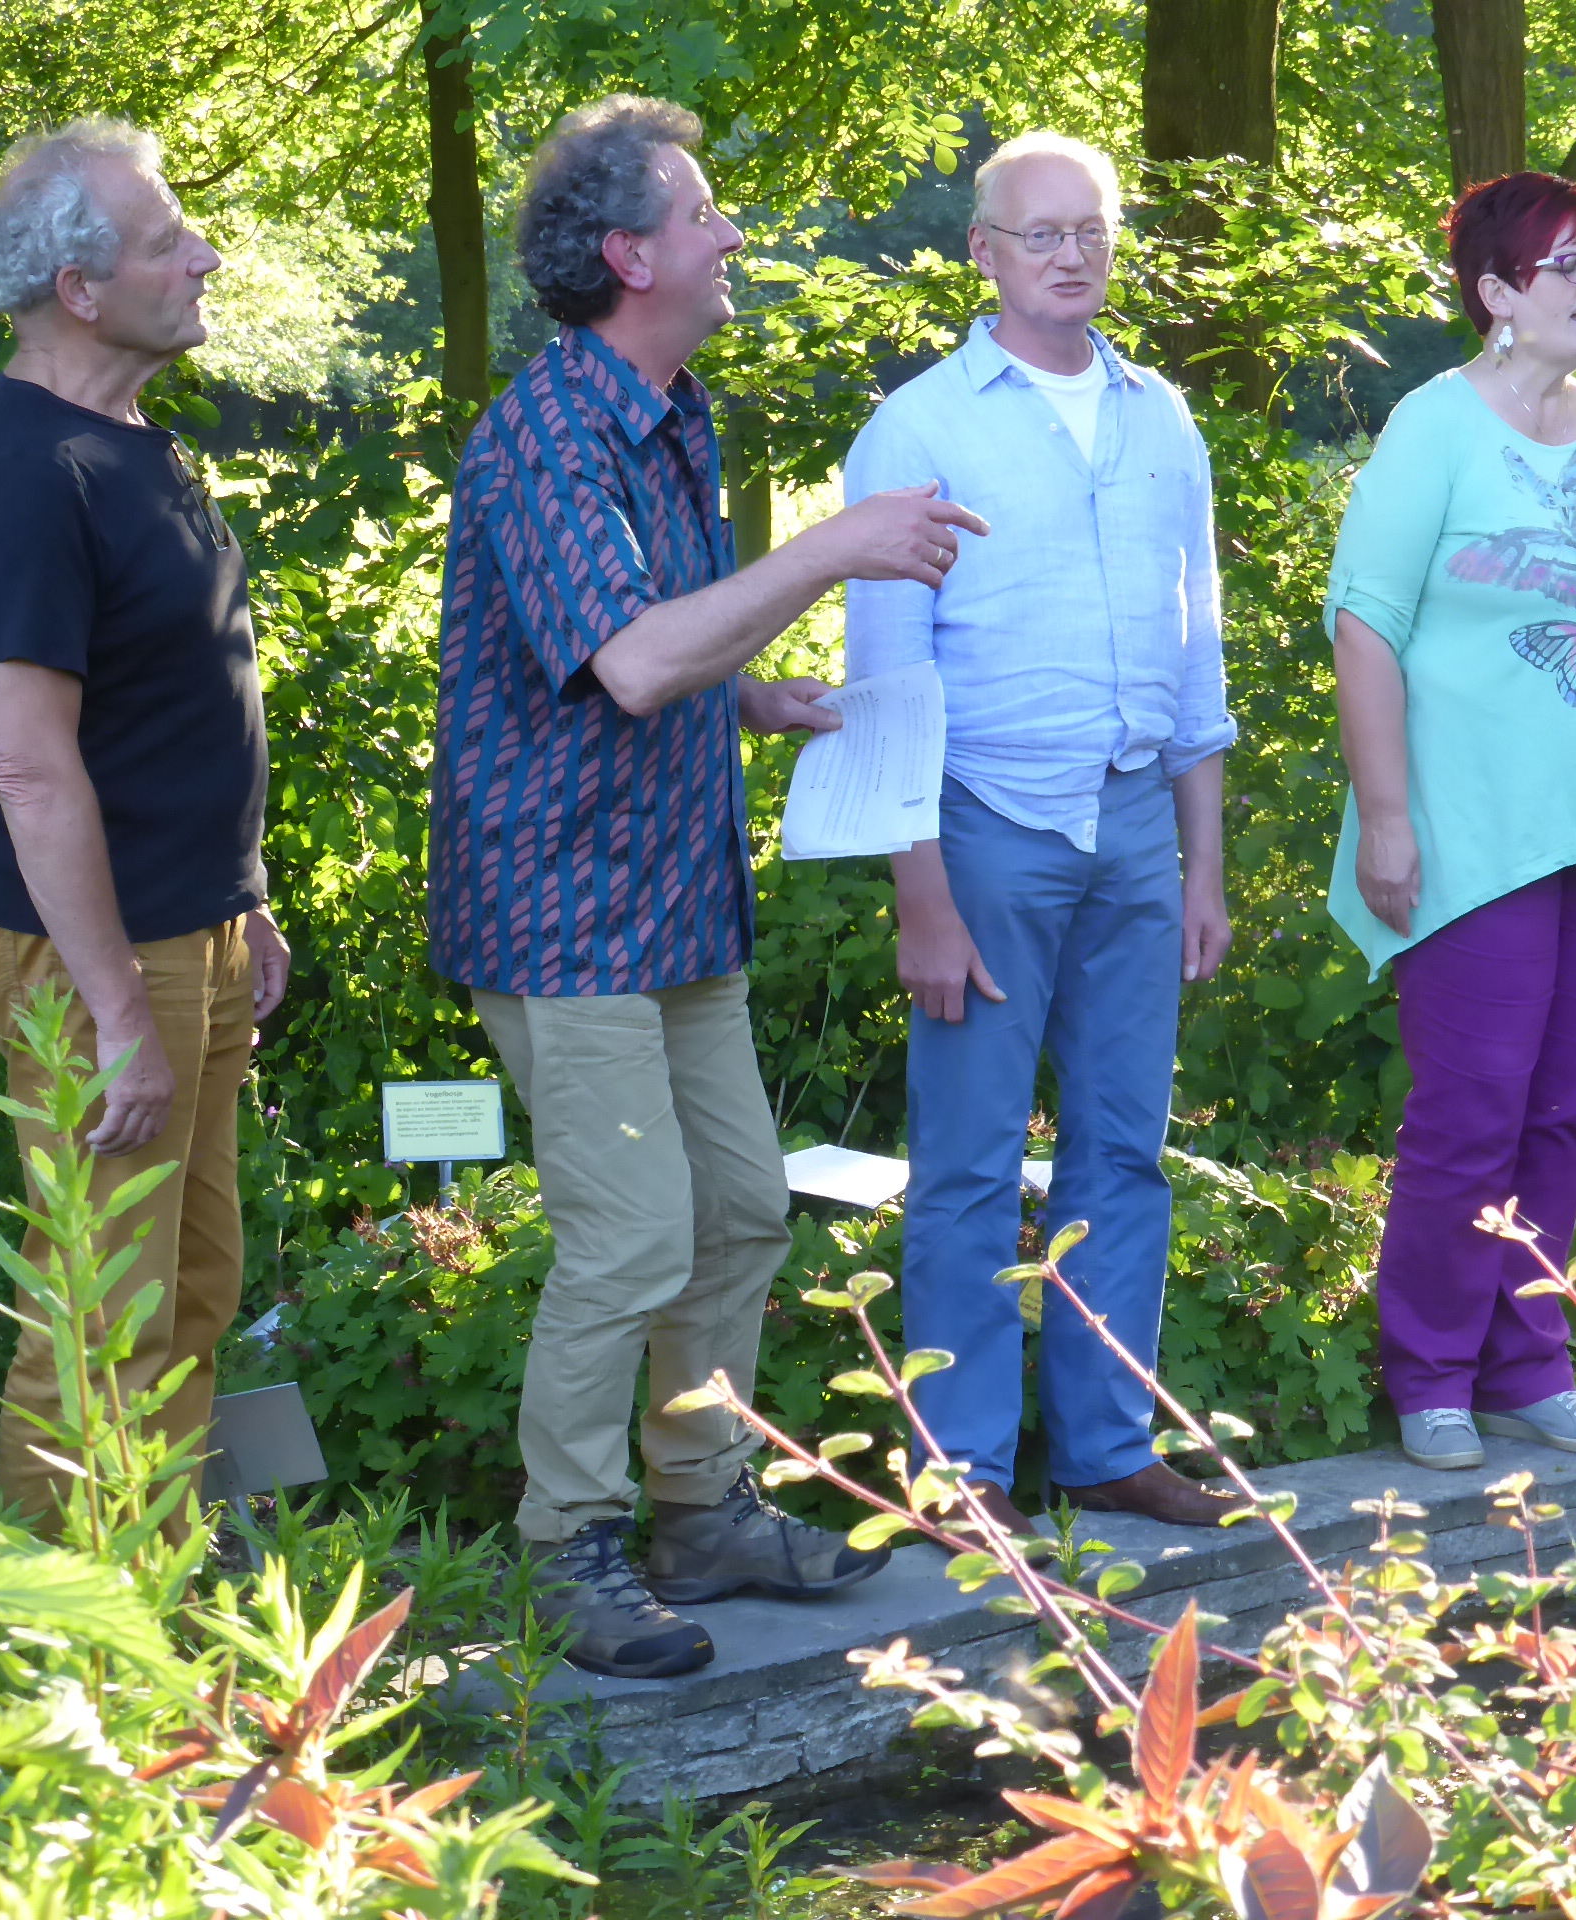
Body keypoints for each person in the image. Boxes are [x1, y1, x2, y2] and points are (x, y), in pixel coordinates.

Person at [428, 95, 987, 1677]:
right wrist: (832, 548)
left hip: (673, 899)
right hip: (561, 915)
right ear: (630, 255)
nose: (730, 233)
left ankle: (702, 1510)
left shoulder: (675, 415)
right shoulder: (547, 435)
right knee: (629, 1240)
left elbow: (662, 630)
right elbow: (628, 660)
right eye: (701, 213)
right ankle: (569, 1545)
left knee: (739, 1210)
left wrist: (753, 696)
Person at [841, 132, 1239, 1538]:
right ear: (983, 252)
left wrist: (1203, 863)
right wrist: (921, 897)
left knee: (1123, 1153)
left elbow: (1198, 654)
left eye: (1091, 231)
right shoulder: (920, 430)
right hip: (984, 828)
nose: (1070, 256)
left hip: (1136, 828)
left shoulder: (1161, 418)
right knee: (966, 1165)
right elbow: (885, 685)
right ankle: (959, 1477)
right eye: (1039, 234)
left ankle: (1107, 1445)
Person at [1324, 171, 1576, 1472]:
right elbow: (1364, 626)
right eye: (1569, 263)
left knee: (1560, 1107)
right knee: (1473, 1110)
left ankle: (1526, 1365)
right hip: (1472, 834)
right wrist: (1385, 818)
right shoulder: (1432, 427)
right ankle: (1432, 1374)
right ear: (1497, 292)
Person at [0, 119, 290, 1534]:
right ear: (80, 290)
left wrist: (241, 895)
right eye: (167, 242)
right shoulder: (34, 476)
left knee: (189, 1289)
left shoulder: (131, 441)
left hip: (184, 928)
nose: (204, 257)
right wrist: (115, 1010)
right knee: (102, 1319)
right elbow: (31, 770)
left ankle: (156, 1580)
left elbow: (171, 708)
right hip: (96, 959)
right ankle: (61, 1638)